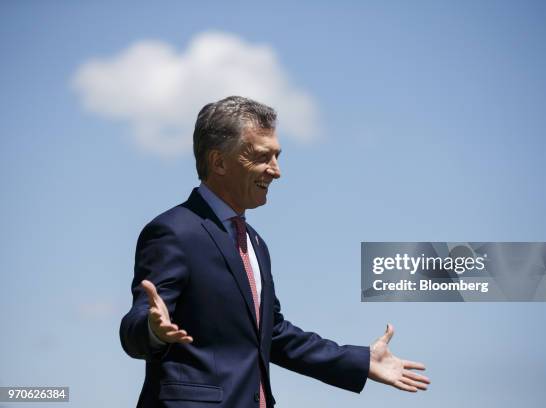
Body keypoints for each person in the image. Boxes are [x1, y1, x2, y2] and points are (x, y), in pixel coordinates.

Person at [119, 96, 430, 407]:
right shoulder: (173, 231)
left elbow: (274, 334)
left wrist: (360, 362)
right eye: (261, 157)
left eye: (277, 156)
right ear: (219, 162)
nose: (276, 171)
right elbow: (135, 325)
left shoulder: (255, 243)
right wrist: (153, 329)